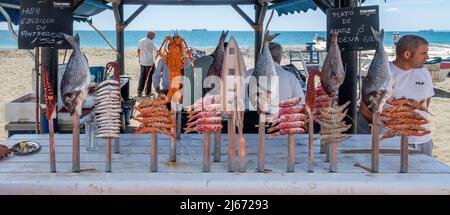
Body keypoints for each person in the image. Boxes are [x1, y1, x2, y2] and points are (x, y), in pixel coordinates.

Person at [360, 35, 434, 156]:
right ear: (407, 54)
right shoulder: (383, 72)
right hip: (391, 141)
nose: (427, 57)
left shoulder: (424, 72)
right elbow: (364, 109)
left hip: (423, 140)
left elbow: (426, 101)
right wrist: (382, 125)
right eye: (423, 53)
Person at [243, 42, 305, 133]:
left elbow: (239, 101)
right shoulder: (290, 76)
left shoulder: (248, 74)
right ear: (280, 57)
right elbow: (301, 103)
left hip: (251, 123)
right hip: (281, 124)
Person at [137, 31, 157, 97]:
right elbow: (157, 51)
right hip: (149, 62)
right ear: (150, 35)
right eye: (154, 35)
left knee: (142, 77)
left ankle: (139, 91)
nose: (154, 37)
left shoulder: (141, 40)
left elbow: (138, 50)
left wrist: (139, 58)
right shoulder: (151, 42)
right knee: (149, 78)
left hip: (142, 61)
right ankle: (148, 92)